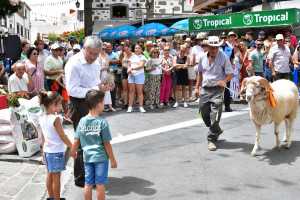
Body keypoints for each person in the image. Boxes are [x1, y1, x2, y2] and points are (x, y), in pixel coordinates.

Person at [65, 36, 109, 187]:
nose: (93, 57)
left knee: (95, 140)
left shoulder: (96, 61)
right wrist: (95, 89)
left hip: (93, 101)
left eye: (96, 54)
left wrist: (102, 86)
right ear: (84, 48)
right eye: (90, 53)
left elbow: (95, 81)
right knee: (82, 142)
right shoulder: (74, 64)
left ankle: (92, 174)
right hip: (79, 103)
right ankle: (81, 178)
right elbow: (72, 90)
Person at [70, 90, 117, 200]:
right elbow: (107, 143)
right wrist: (113, 159)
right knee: (100, 184)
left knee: (88, 183)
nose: (103, 105)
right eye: (103, 103)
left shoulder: (82, 121)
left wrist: (72, 152)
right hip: (101, 158)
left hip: (87, 158)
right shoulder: (102, 122)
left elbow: (76, 140)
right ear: (98, 104)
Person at [195, 36, 233, 151]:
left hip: (217, 89)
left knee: (215, 115)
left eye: (216, 47)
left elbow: (230, 74)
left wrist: (224, 81)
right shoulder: (202, 57)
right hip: (205, 89)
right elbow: (200, 73)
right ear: (208, 47)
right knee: (203, 112)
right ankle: (216, 129)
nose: (214, 50)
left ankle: (211, 139)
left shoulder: (224, 57)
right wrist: (197, 87)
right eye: (212, 47)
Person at [38, 91, 73, 200]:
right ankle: (57, 198)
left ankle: (51, 197)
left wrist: (42, 150)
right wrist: (71, 146)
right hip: (56, 152)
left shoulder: (42, 117)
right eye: (60, 104)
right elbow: (62, 135)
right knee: (57, 178)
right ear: (53, 105)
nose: (62, 107)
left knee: (49, 175)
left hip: (48, 151)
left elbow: (43, 136)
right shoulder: (55, 119)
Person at [127, 44, 147, 113]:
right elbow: (129, 65)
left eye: (139, 48)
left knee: (139, 92)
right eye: (136, 48)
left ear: (141, 49)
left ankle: (141, 107)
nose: (137, 49)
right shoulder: (131, 56)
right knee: (131, 91)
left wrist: (132, 68)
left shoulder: (143, 57)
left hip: (140, 75)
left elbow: (141, 66)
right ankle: (130, 106)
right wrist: (129, 70)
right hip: (131, 75)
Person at [106, 43, 121, 107]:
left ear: (112, 47)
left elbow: (118, 61)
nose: (108, 48)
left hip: (114, 72)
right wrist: (113, 61)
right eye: (107, 47)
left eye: (109, 47)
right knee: (107, 89)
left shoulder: (115, 54)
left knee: (114, 88)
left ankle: (113, 103)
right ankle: (107, 104)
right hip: (106, 73)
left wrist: (109, 62)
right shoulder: (104, 54)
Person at [119, 44, 132, 108]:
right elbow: (122, 64)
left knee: (130, 89)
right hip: (124, 71)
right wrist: (127, 67)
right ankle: (125, 103)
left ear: (130, 48)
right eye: (125, 49)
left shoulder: (133, 55)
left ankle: (130, 103)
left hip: (131, 72)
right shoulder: (123, 54)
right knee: (125, 89)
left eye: (127, 49)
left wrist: (130, 68)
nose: (126, 50)